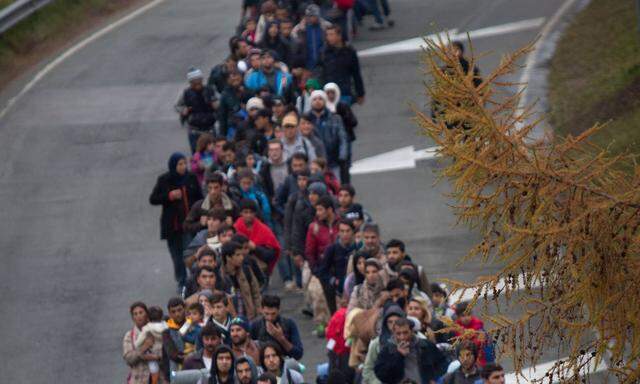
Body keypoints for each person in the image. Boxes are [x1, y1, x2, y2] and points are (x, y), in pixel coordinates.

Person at [150, 153, 203, 290]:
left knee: (190, 253)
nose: (183, 167)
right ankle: (182, 281)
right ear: (173, 166)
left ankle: (196, 279)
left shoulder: (191, 178)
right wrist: (169, 196)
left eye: (184, 163)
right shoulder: (164, 180)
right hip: (172, 226)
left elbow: (200, 197)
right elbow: (153, 199)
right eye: (180, 164)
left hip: (188, 225)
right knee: (176, 255)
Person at [374, 317, 448, 384]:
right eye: (398, 334)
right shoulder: (387, 349)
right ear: (394, 333)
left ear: (412, 331)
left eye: (405, 333)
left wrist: (434, 378)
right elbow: (381, 374)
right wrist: (399, 355)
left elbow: (443, 363)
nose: (402, 337)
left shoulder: (425, 345)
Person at [318, 219, 357, 314]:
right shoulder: (332, 249)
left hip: (356, 292)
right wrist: (333, 281)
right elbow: (322, 271)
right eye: (342, 231)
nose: (345, 234)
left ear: (353, 232)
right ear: (338, 232)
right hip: (338, 294)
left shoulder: (358, 248)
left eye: (348, 231)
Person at [307, 90, 348, 180]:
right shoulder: (307, 119)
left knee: (335, 186)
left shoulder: (335, 118)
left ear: (325, 101)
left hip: (333, 161)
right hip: (314, 162)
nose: (317, 101)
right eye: (314, 99)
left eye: (320, 99)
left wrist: (342, 156)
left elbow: (342, 138)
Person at [234, 199, 281, 277]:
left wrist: (255, 248)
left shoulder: (264, 230)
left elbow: (271, 254)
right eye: (245, 212)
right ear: (241, 213)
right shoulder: (235, 229)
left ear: (255, 213)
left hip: (260, 270)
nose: (248, 215)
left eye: (251, 212)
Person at [323, 81, 358, 183]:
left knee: (345, 164)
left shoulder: (342, 106)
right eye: (328, 93)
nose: (330, 95)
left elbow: (353, 122)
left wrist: (343, 116)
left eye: (332, 93)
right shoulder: (324, 107)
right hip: (330, 142)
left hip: (345, 139)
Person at [320, 26, 365, 106]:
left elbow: (356, 73)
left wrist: (360, 93)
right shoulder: (324, 52)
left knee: (344, 115)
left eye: (331, 34)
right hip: (328, 92)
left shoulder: (349, 52)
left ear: (339, 36)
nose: (329, 38)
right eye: (327, 35)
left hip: (344, 92)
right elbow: (319, 71)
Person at [362, 304, 406, 384]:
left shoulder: (413, 340)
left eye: (397, 321)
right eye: (390, 322)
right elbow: (367, 370)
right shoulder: (377, 343)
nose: (393, 325)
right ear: (385, 323)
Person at [177, 68, 218, 153]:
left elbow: (218, 101)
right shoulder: (186, 93)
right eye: (194, 81)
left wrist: (216, 105)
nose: (197, 82)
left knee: (213, 153)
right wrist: (184, 110)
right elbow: (178, 106)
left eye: (198, 79)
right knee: (197, 154)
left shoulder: (209, 90)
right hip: (194, 130)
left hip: (209, 128)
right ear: (190, 82)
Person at [250, 295, 304, 360]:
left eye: (273, 314)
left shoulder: (289, 324)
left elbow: (298, 354)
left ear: (278, 310)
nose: (270, 318)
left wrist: (281, 338)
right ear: (262, 310)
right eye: (266, 314)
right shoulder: (255, 326)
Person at [184, 173, 236, 237]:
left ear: (221, 187)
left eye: (216, 188)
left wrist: (232, 224)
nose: (213, 191)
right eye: (210, 188)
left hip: (226, 241)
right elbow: (186, 226)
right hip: (205, 240)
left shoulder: (232, 205)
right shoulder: (199, 206)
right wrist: (200, 224)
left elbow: (241, 225)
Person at [220, 241, 262, 320]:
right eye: (238, 255)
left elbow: (255, 292)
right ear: (228, 257)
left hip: (250, 316)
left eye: (242, 255)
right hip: (229, 318)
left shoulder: (246, 270)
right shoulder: (220, 276)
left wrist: (258, 309)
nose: (242, 258)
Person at [123, 302, 158, 384]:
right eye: (135, 314)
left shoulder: (156, 331)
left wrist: (154, 357)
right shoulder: (129, 336)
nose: (138, 316)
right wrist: (143, 349)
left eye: (141, 312)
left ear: (146, 314)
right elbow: (129, 359)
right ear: (133, 318)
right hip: (138, 380)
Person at [291, 4, 332, 70]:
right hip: (306, 66)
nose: (312, 18)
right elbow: (295, 49)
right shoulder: (298, 29)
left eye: (314, 16)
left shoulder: (327, 26)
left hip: (324, 65)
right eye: (309, 16)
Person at [305, 195, 339, 271]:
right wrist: (316, 270)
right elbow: (310, 252)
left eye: (320, 210)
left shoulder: (341, 224)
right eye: (317, 210)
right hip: (323, 270)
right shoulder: (314, 227)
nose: (317, 213)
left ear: (329, 210)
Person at [135, 306, 168, 384]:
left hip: (153, 352)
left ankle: (154, 382)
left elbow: (137, 344)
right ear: (161, 317)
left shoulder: (147, 328)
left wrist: (140, 345)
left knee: (153, 368)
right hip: (165, 352)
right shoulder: (166, 325)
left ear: (148, 318)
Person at [454, 302, 491, 367]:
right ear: (458, 317)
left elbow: (485, 345)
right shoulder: (456, 329)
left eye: (468, 314)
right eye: (463, 316)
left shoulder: (478, 326)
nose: (466, 318)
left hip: (481, 358)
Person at [218, 70, 251, 139]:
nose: (235, 79)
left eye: (237, 76)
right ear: (228, 80)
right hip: (233, 129)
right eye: (232, 77)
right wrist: (222, 135)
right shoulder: (225, 95)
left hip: (248, 128)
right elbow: (222, 116)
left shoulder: (247, 90)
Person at [161, 298, 188, 378]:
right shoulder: (166, 330)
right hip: (175, 370)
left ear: (185, 309)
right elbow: (172, 353)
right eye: (173, 312)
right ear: (169, 313)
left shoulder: (191, 324)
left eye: (179, 310)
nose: (177, 314)